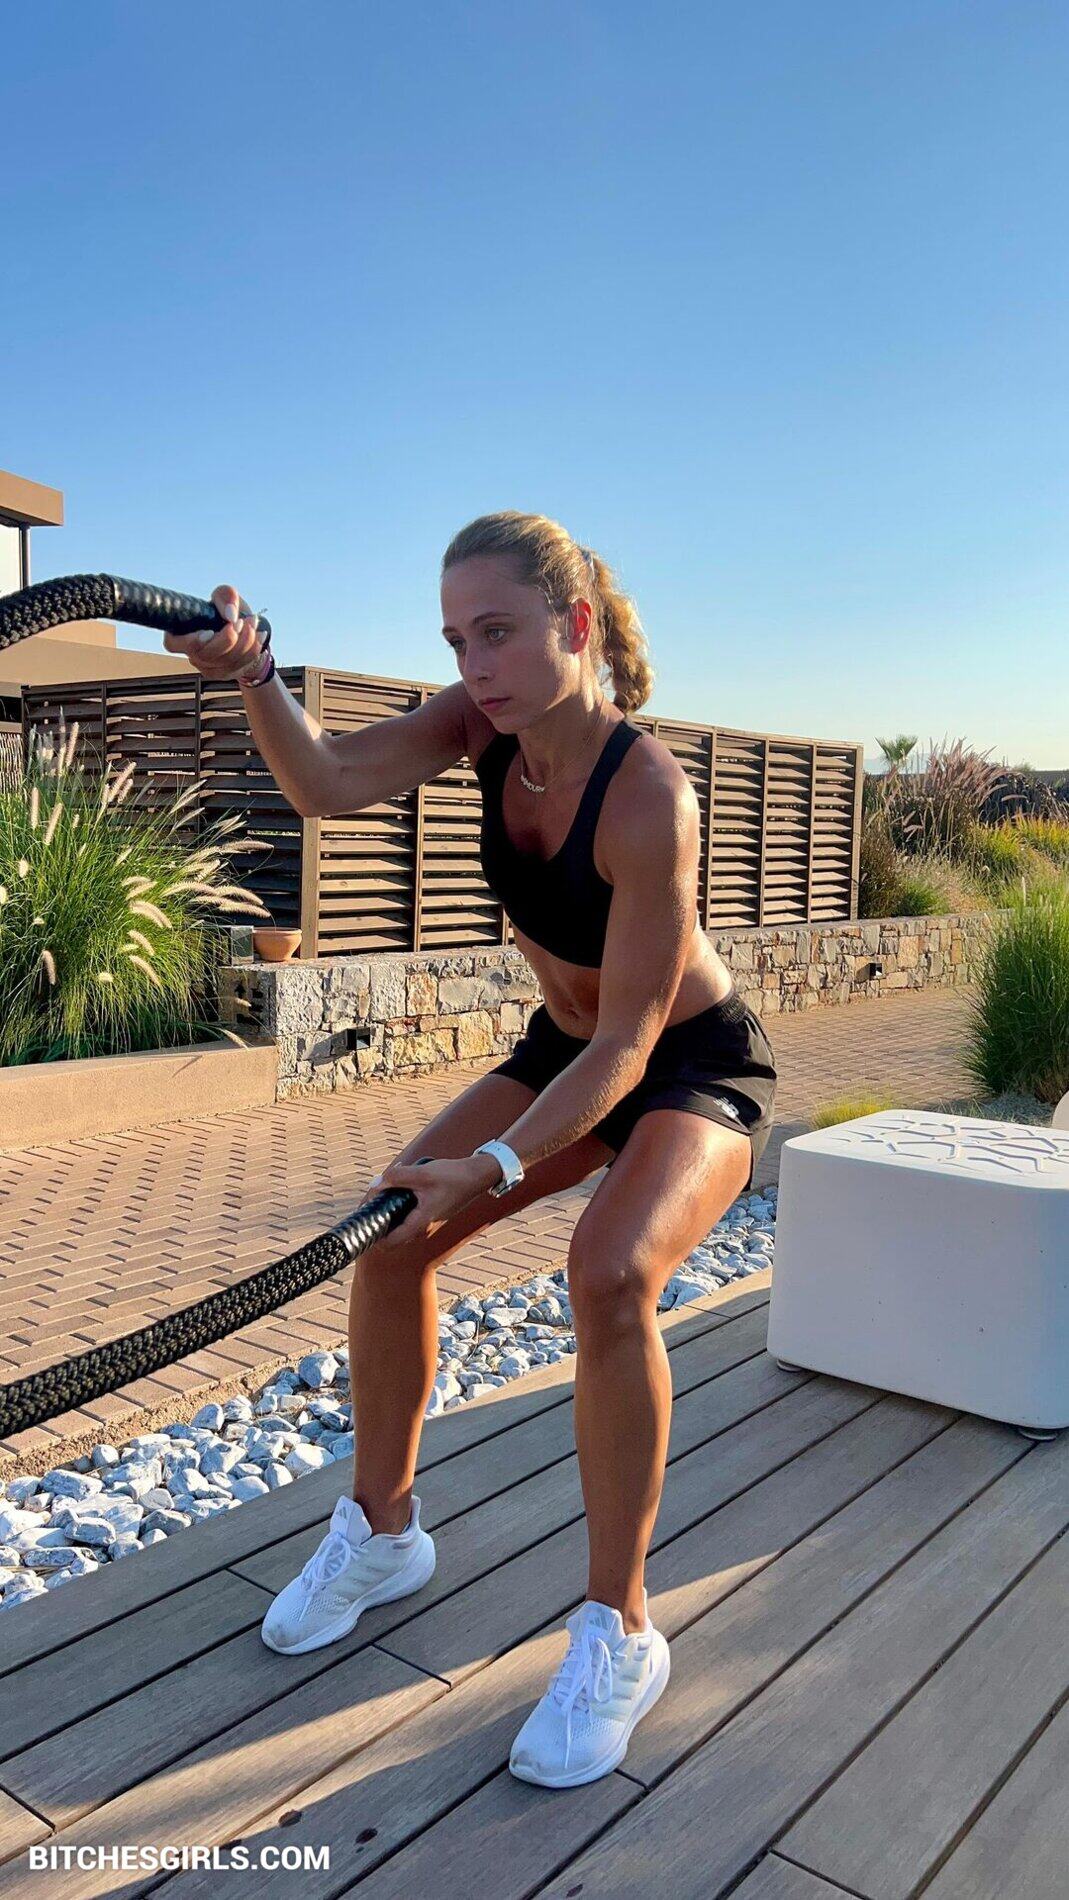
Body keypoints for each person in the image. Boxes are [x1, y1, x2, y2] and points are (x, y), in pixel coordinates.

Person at [167, 510, 778, 1789]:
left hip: (685, 1062)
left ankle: (619, 1630)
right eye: (456, 639)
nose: (473, 664)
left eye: (496, 632)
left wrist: (496, 1167)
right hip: (568, 1050)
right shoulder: (481, 728)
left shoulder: (649, 795)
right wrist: (256, 673)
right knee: (393, 1241)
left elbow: (632, 1044)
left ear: (576, 624)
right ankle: (385, 1532)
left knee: (609, 1272)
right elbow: (326, 782)